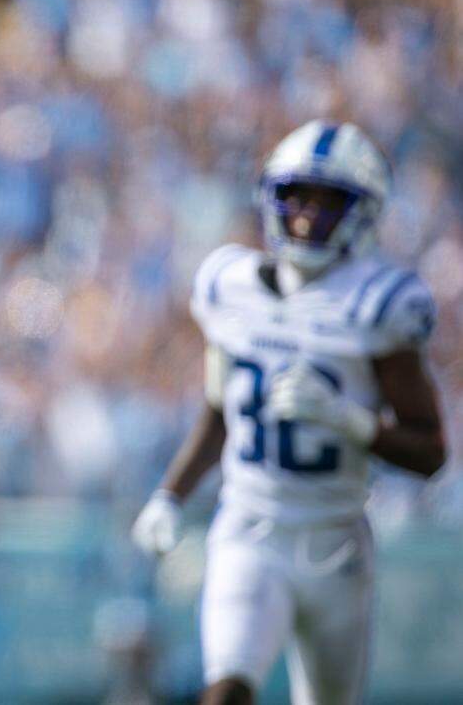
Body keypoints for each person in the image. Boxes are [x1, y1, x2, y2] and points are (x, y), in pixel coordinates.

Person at [131, 120, 446, 705]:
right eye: (297, 195)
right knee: (226, 689)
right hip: (250, 528)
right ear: (271, 198)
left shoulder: (379, 303)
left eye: (330, 200)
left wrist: (345, 419)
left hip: (336, 541)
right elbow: (219, 413)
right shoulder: (230, 285)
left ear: (363, 211)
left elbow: (430, 453)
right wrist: (170, 495)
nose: (307, 214)